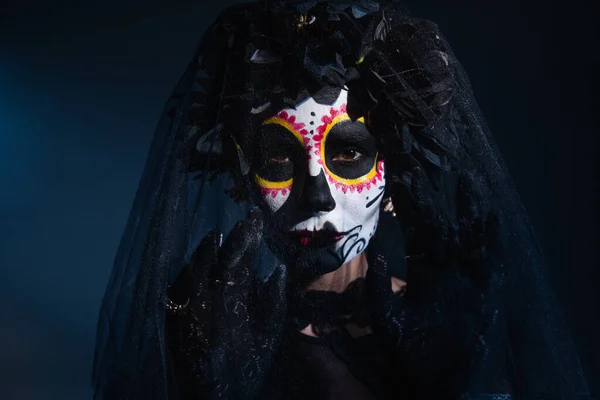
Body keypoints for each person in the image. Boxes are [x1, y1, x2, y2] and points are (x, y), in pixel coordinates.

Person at [92, 1, 592, 399]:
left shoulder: (451, 327)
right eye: (279, 160)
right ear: (242, 179)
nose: (318, 195)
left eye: (349, 152)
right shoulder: (206, 333)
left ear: (394, 174)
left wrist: (466, 382)